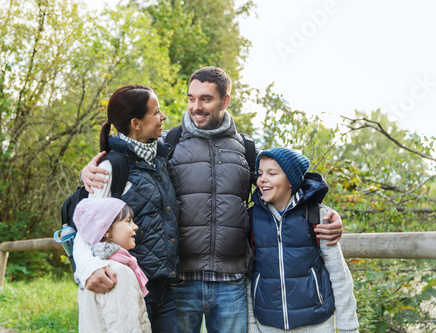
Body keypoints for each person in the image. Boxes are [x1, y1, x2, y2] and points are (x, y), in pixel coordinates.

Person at [80, 67, 344, 333]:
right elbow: (99, 198)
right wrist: (87, 173)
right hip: (178, 283)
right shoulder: (166, 144)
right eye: (191, 98)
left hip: (231, 283)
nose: (196, 107)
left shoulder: (247, 149)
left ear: (225, 101)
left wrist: (322, 210)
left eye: (205, 99)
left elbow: (285, 181)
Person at [72, 85, 181, 332]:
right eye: (156, 112)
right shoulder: (112, 167)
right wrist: (88, 269)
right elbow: (85, 232)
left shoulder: (159, 158)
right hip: (131, 285)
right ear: (136, 123)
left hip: (166, 287)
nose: (162, 117)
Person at [247, 147, 359, 333]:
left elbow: (339, 276)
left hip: (316, 325)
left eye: (272, 173)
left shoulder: (316, 216)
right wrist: (252, 327)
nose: (262, 179)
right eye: (259, 174)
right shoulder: (252, 220)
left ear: (291, 180)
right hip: (268, 325)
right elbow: (248, 277)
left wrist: (348, 327)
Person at [74, 197, 151, 332]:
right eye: (128, 221)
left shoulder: (90, 271)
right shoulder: (116, 272)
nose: (135, 226)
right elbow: (126, 328)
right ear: (106, 230)